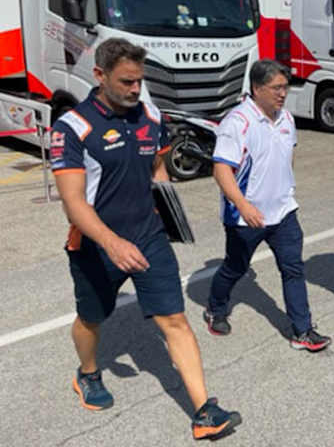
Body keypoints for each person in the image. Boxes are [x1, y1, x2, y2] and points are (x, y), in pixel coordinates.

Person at [50, 38, 241, 441]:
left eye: (140, 81)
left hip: (149, 237)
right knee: (92, 318)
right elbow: (73, 204)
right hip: (94, 245)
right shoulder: (73, 127)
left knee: (174, 319)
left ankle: (204, 410)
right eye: (127, 82)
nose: (136, 90)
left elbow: (157, 169)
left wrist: (172, 219)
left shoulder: (150, 116)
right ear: (99, 76)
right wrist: (112, 243)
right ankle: (87, 374)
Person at [204, 59, 331, 352]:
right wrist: (243, 205)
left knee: (293, 269)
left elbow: (287, 156)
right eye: (276, 88)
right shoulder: (237, 123)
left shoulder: (286, 119)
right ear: (257, 88)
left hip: (284, 212)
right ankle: (216, 308)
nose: (282, 93)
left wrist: (286, 188)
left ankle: (302, 330)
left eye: (285, 87)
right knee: (235, 267)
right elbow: (221, 169)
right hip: (246, 216)